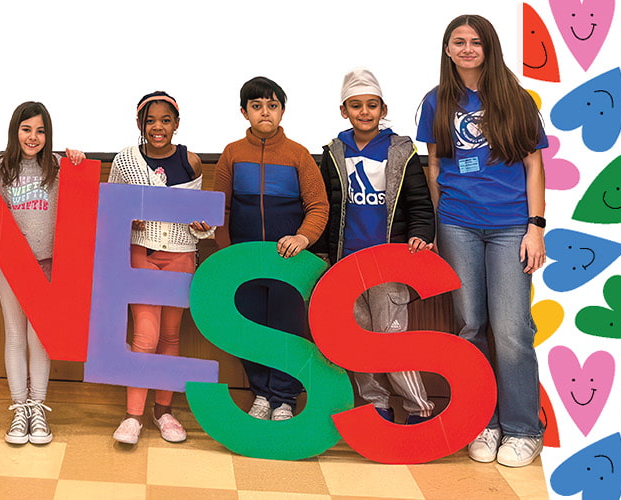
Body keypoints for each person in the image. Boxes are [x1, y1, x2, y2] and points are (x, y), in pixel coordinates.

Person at [418, 14, 547, 467]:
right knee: (469, 327)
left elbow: (534, 165)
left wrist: (536, 226)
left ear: (489, 47)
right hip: (457, 225)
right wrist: (438, 222)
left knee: (512, 331)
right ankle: (483, 422)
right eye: (459, 42)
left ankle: (523, 429)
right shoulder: (435, 102)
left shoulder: (515, 97)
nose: (468, 48)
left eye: (476, 42)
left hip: (512, 224)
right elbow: (434, 166)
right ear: (448, 50)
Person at [310, 68, 436, 425]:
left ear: (383, 109)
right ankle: (376, 403)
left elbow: (419, 203)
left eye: (371, 106)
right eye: (356, 106)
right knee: (357, 340)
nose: (364, 112)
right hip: (346, 265)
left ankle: (418, 408)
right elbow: (326, 206)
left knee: (391, 340)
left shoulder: (400, 150)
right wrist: (323, 256)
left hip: (388, 263)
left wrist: (422, 233)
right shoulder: (334, 152)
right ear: (343, 111)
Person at [0, 101, 85, 445]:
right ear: (16, 130)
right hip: (12, 264)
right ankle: (19, 409)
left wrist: (78, 161)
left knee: (40, 337)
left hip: (48, 264)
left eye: (41, 130)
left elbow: (80, 197)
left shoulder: (58, 166)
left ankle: (37, 407)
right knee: (15, 335)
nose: (33, 137)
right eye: (27, 129)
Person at [213, 76, 329, 422]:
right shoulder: (232, 153)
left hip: (287, 265)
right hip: (243, 264)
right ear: (244, 111)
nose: (266, 112)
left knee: (286, 331)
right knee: (249, 330)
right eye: (257, 106)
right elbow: (222, 208)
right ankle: (261, 394)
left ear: (282, 111)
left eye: (273, 106)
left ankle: (284, 399)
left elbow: (318, 206)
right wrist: (226, 252)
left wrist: (302, 238)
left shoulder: (298, 155)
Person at [106, 91, 211, 444]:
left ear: (176, 124)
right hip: (142, 255)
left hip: (181, 255)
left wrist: (202, 225)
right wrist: (126, 219)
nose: (158, 127)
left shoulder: (191, 161)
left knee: (169, 335)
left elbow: (203, 217)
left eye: (166, 120)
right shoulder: (125, 161)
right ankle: (133, 416)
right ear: (140, 124)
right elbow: (111, 209)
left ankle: (163, 411)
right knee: (145, 336)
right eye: (150, 120)